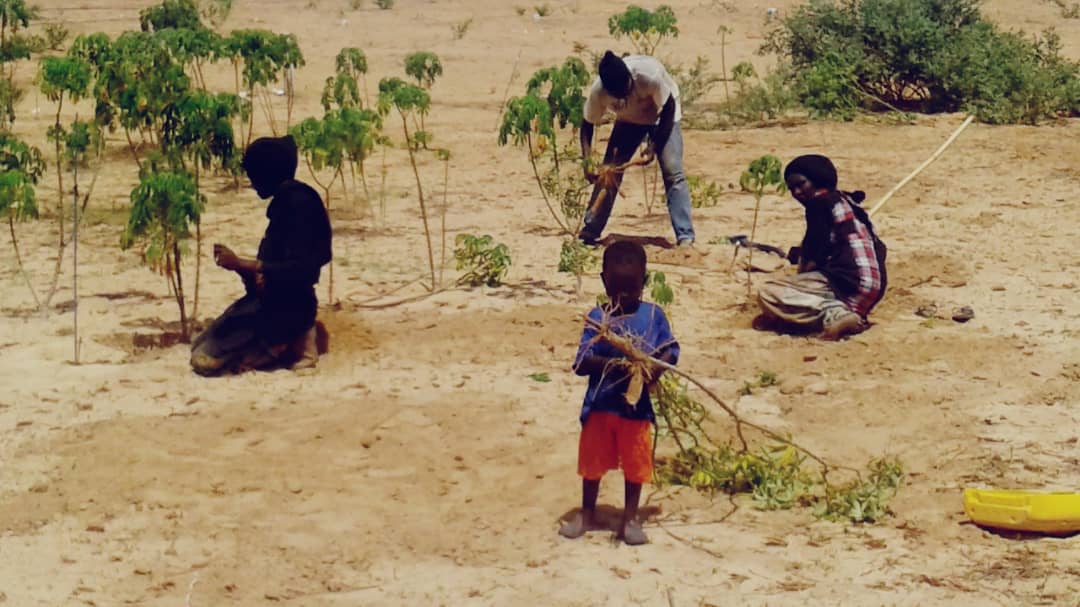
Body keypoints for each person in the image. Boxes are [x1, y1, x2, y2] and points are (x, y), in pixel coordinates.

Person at [560, 241, 679, 545]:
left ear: (645, 281)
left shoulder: (654, 317)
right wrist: (616, 364)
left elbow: (671, 352)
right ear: (604, 282)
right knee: (592, 463)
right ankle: (587, 513)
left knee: (636, 465)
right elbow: (582, 363)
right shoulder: (597, 319)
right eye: (618, 288)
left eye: (632, 287)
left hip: (635, 409)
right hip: (600, 406)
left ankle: (629, 518)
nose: (625, 296)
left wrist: (651, 368)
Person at [190, 135, 332, 376]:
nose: (252, 183)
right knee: (201, 345)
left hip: (290, 308)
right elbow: (269, 271)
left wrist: (245, 264)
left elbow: (302, 269)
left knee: (208, 361)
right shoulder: (286, 202)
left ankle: (298, 344)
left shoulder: (299, 204)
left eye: (255, 175)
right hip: (269, 303)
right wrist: (238, 267)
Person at [756, 154, 887, 340]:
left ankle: (835, 314)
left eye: (801, 184)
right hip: (873, 288)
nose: (797, 192)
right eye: (792, 188)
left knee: (769, 293)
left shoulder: (818, 203)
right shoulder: (848, 202)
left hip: (849, 280)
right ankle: (849, 317)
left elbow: (815, 253)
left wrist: (801, 273)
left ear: (817, 180)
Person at [578, 50, 695, 247]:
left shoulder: (650, 75)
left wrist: (654, 145)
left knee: (672, 171)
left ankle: (685, 235)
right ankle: (590, 229)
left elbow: (668, 109)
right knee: (609, 172)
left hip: (662, 116)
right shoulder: (598, 92)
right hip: (630, 121)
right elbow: (587, 124)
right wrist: (587, 160)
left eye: (626, 90)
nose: (623, 96)